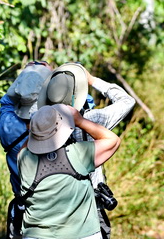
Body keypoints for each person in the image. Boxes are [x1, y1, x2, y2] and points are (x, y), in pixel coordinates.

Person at [37, 62, 136, 238]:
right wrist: (92, 80)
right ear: (78, 94)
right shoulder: (92, 119)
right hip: (90, 207)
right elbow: (127, 101)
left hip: (51, 208)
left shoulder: (39, 124)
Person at [18, 104, 121, 239]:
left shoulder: (23, 158)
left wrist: (38, 128)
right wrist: (80, 121)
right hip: (83, 234)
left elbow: (28, 145)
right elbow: (113, 140)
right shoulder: (77, 153)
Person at [0, 61, 53, 238]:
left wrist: (26, 77)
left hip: (24, 207)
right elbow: (84, 104)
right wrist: (53, 75)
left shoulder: (7, 125)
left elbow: (6, 102)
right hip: (56, 208)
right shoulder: (60, 127)